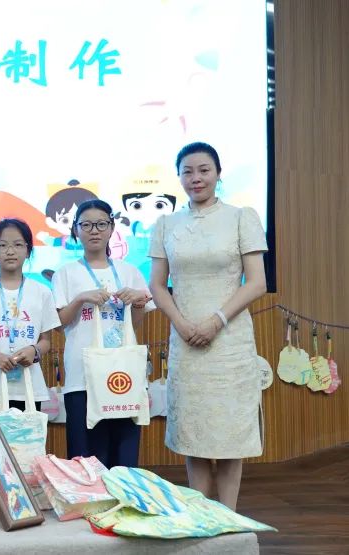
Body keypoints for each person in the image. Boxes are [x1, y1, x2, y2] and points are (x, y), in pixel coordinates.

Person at [149, 142, 268, 510]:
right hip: (186, 341)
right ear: (179, 177)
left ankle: (229, 517)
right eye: (187, 171)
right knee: (194, 435)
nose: (196, 178)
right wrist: (181, 324)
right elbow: (157, 285)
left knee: (230, 435)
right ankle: (201, 516)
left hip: (230, 341)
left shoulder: (241, 217)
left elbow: (257, 282)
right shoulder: (165, 224)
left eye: (204, 170)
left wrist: (216, 321)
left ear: (218, 173)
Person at [52, 200, 155, 468]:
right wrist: (80, 299)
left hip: (123, 374)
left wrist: (138, 302)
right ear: (76, 230)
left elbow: (135, 323)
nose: (94, 230)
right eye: (86, 225)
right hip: (82, 377)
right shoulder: (65, 273)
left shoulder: (129, 271)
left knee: (124, 457)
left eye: (101, 224)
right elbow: (60, 322)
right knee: (86, 458)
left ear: (111, 228)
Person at [0, 219, 59, 412]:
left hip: (29, 387)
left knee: (28, 433)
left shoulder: (42, 292)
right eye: (2, 245)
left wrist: (34, 351)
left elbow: (46, 341)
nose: (10, 251)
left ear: (28, 251)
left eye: (18, 245)